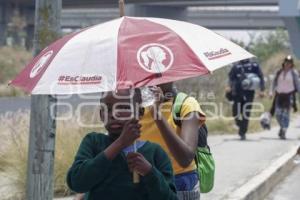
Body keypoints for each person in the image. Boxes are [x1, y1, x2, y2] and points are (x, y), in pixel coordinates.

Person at [67, 89, 178, 200]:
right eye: (108, 109)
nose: (114, 115)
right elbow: (77, 183)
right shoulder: (93, 142)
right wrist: (120, 143)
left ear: (140, 113)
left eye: (124, 107)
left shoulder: (155, 153)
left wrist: (149, 172)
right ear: (101, 114)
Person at [140, 83, 206, 200]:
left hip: (180, 182)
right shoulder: (136, 107)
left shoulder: (186, 105)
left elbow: (185, 159)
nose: (154, 81)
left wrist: (157, 114)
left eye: (159, 74)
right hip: (146, 180)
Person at [227, 58, 265, 140]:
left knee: (246, 113)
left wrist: (262, 90)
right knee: (235, 112)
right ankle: (240, 125)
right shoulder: (236, 66)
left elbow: (261, 77)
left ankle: (242, 132)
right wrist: (229, 86)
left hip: (249, 93)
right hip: (237, 93)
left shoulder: (254, 65)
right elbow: (231, 77)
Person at [269, 55, 300, 139]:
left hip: (289, 95)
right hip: (279, 95)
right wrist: (271, 92)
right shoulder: (279, 72)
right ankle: (282, 126)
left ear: (291, 64)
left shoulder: (293, 73)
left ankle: (283, 130)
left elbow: (297, 84)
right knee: (278, 113)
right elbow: (273, 83)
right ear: (284, 63)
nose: (287, 64)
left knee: (286, 114)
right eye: (286, 62)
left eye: (289, 63)